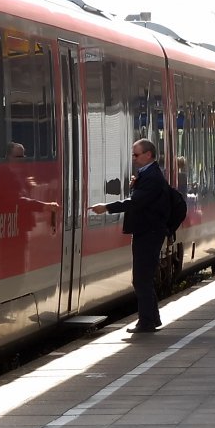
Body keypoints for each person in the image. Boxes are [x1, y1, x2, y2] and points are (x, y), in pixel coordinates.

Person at [89, 138, 169, 333]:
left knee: (141, 278)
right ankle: (152, 319)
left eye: (136, 154)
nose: (133, 158)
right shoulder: (147, 174)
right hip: (147, 231)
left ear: (148, 155)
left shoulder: (152, 177)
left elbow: (135, 202)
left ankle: (147, 322)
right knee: (143, 277)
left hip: (148, 232)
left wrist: (106, 207)